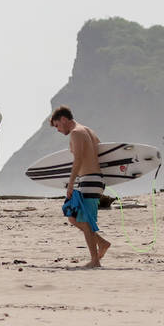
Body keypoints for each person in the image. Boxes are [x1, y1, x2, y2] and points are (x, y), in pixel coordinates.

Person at [50, 105, 111, 268]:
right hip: (93, 180)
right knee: (73, 217)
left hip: (89, 180)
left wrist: (70, 183)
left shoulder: (76, 133)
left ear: (64, 119)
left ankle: (95, 261)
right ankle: (102, 243)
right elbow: (98, 151)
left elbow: (77, 160)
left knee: (83, 220)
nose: (57, 129)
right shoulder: (88, 130)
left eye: (57, 125)